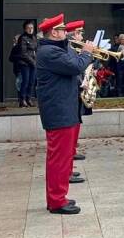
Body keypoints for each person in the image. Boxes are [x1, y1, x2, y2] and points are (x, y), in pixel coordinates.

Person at [36, 14, 95, 215]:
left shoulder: (57, 48)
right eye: (63, 30)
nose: (66, 33)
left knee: (62, 157)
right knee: (58, 159)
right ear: (54, 32)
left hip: (63, 108)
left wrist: (73, 47)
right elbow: (75, 66)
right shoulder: (49, 52)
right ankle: (56, 200)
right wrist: (86, 52)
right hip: (58, 110)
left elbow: (72, 64)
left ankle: (59, 197)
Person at [65, 20, 90, 169]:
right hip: (73, 89)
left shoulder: (74, 48)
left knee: (77, 120)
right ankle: (71, 152)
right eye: (80, 33)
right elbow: (75, 68)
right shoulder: (70, 48)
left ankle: (72, 150)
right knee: (74, 122)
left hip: (77, 87)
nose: (82, 37)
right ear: (74, 34)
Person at [9, 20, 38, 107]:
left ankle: (28, 99)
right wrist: (32, 62)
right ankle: (22, 100)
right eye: (28, 28)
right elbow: (23, 53)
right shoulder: (23, 38)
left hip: (33, 63)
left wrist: (35, 61)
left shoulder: (34, 38)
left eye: (32, 28)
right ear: (25, 29)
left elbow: (35, 50)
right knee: (25, 81)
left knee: (31, 82)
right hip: (25, 63)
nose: (30, 29)